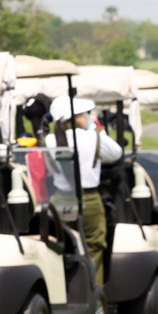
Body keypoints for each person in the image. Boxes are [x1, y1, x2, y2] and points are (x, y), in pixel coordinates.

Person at [51, 94, 123, 279]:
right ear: (77, 117)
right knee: (94, 244)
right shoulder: (92, 136)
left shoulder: (50, 140)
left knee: (62, 245)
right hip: (88, 199)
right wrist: (97, 130)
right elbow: (116, 153)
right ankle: (92, 286)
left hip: (60, 199)